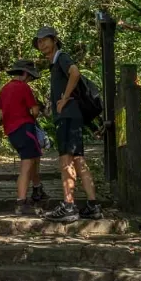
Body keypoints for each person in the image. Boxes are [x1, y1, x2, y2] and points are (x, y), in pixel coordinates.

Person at [33, 26, 102, 222]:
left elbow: (75, 72)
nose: (41, 44)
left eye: (45, 39)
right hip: (73, 116)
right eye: (39, 41)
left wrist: (64, 99)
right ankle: (93, 205)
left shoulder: (61, 57)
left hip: (68, 116)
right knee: (79, 159)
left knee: (66, 159)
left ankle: (69, 205)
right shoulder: (54, 64)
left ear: (54, 40)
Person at [0, 59, 48, 215]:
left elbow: (0, 113)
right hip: (25, 129)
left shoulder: (5, 89)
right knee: (26, 166)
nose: (30, 79)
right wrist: (35, 109)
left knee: (34, 158)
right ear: (25, 74)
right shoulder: (24, 87)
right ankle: (21, 202)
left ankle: (37, 189)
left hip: (12, 132)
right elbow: (34, 111)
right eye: (30, 76)